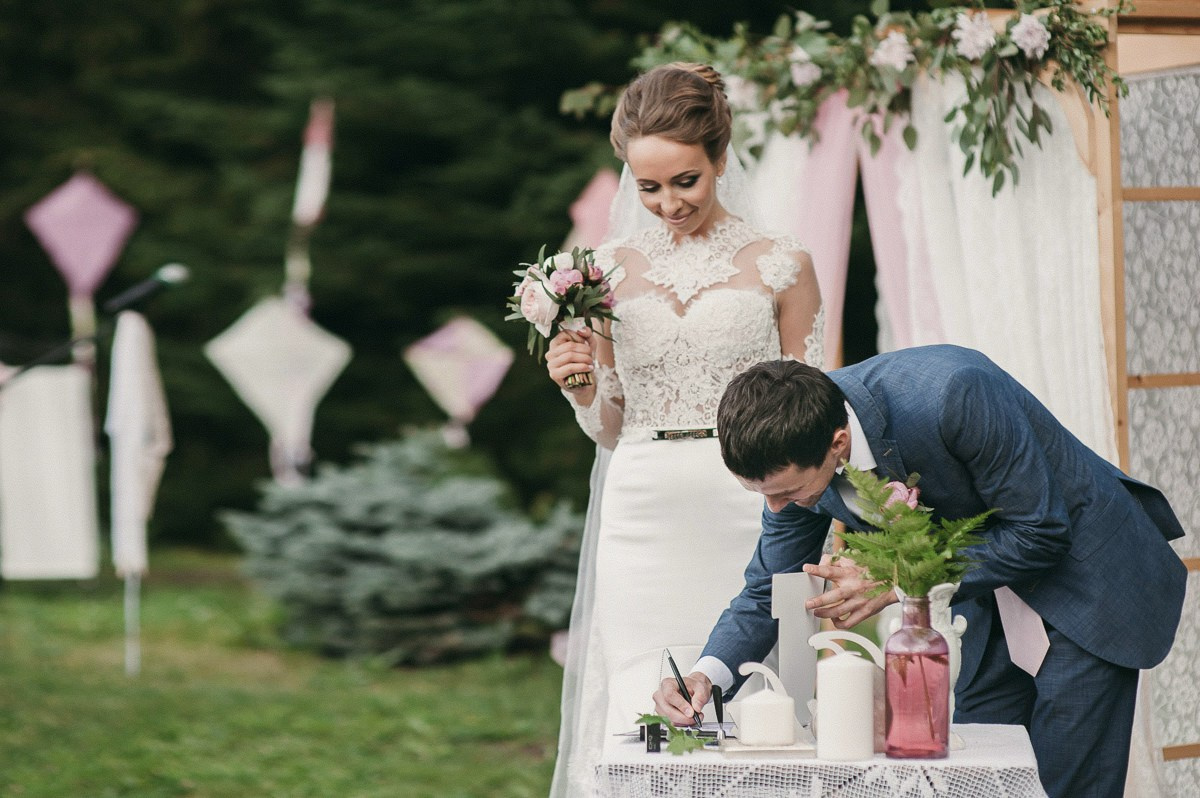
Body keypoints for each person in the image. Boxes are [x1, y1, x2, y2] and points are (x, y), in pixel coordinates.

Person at [654, 349, 1187, 798]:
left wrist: (895, 578)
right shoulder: (792, 452)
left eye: (787, 493)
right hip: (979, 606)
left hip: (1086, 583)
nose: (776, 509)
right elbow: (767, 586)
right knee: (973, 778)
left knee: (1063, 783)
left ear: (838, 443)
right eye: (761, 495)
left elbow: (1040, 531)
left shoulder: (954, 393)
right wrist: (709, 673)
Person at [545, 62, 826, 796]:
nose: (668, 203)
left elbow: (822, 410)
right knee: (645, 693)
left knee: (764, 697)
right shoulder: (603, 273)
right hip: (644, 510)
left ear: (722, 162)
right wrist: (579, 389)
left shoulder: (781, 265)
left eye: (686, 181)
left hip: (755, 501)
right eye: (649, 186)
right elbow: (611, 427)